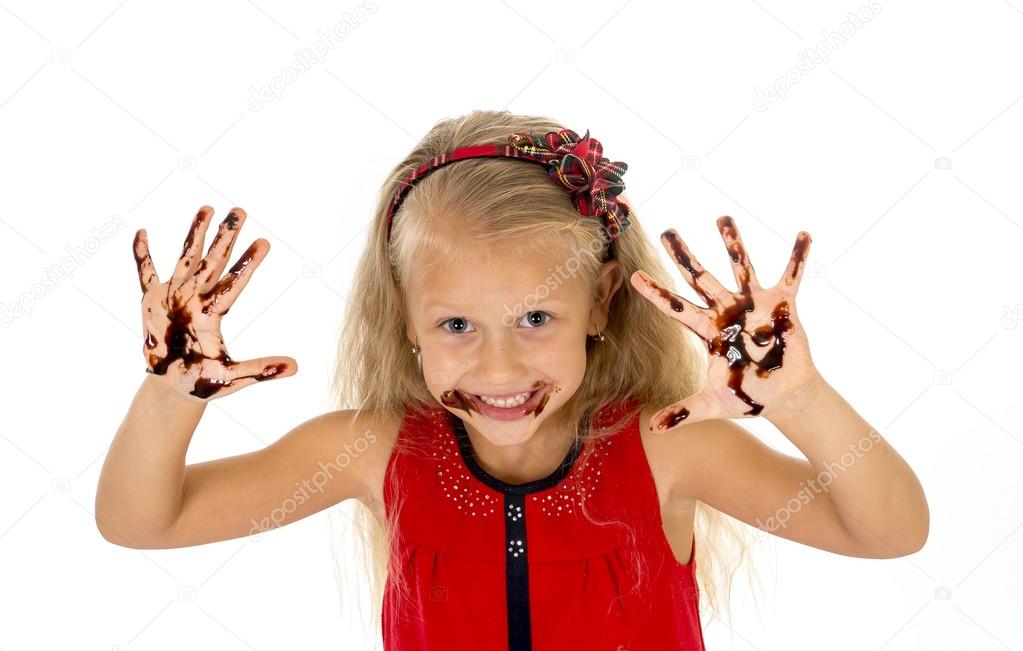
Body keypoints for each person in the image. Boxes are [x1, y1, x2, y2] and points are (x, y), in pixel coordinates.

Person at [95, 109, 930, 650]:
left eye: (536, 318)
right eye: (456, 325)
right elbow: (142, 522)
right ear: (404, 319)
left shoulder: (667, 447)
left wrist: (799, 399)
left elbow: (886, 530)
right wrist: (170, 395)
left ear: (600, 302)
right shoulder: (369, 450)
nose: (499, 368)